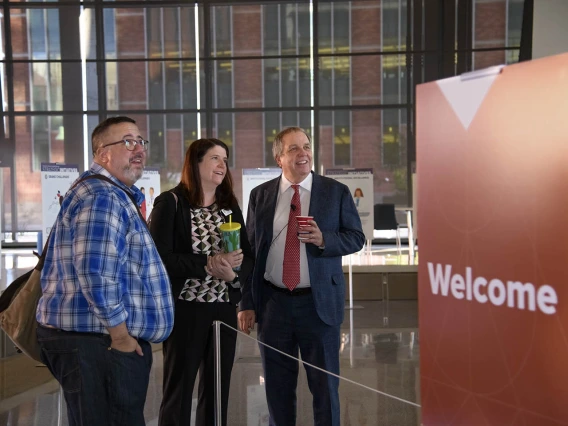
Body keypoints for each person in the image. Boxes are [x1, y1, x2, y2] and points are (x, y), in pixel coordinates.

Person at [36, 116, 174, 426]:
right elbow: (97, 273)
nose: (138, 149)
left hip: (97, 341)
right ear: (102, 153)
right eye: (127, 142)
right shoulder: (103, 197)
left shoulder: (106, 193)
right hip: (100, 343)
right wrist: (121, 336)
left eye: (140, 141)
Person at [239, 127, 365, 426]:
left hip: (318, 306)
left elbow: (356, 238)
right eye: (294, 149)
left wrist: (324, 240)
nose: (303, 153)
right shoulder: (261, 195)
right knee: (277, 390)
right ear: (279, 157)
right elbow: (252, 253)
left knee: (325, 390)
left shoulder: (335, 192)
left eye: (306, 146)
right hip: (273, 306)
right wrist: (246, 301)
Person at [149, 138, 254, 426]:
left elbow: (248, 257)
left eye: (225, 159)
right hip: (186, 309)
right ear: (195, 163)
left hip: (222, 310)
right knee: (179, 389)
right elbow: (160, 258)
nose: (222, 165)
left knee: (217, 389)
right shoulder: (171, 204)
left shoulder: (229, 207)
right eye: (215, 158)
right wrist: (207, 265)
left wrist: (233, 276)